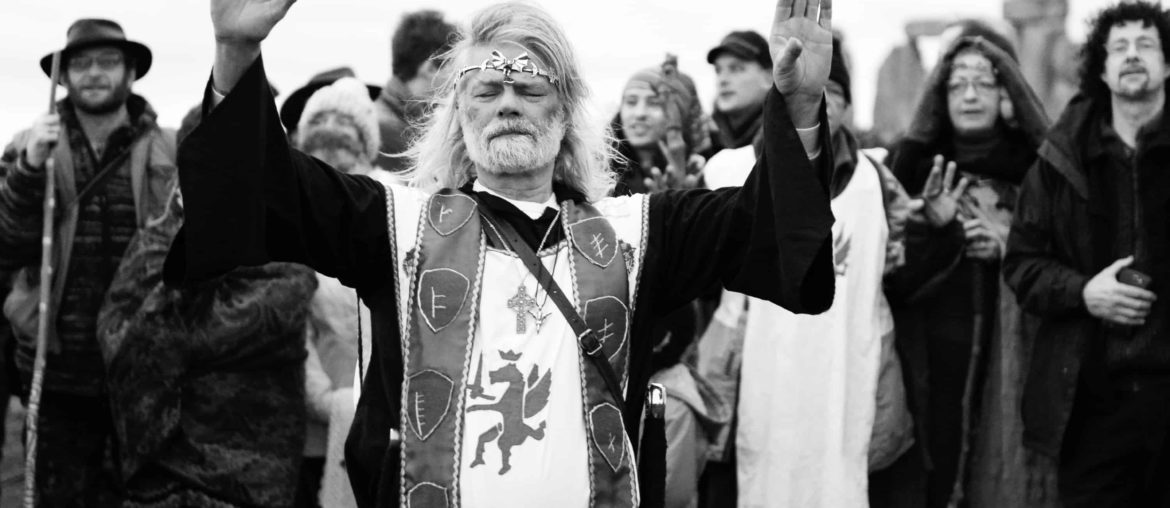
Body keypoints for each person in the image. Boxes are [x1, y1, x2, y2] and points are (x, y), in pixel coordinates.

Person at [167, 0, 837, 506]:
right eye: (487, 90)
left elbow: (774, 230)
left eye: (529, 88)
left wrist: (800, 101)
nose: (507, 103)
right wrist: (234, 48)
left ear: (564, 109)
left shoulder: (639, 232)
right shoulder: (392, 224)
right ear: (459, 113)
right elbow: (261, 188)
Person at [718, 38, 913, 508]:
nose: (821, 105)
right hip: (766, 368)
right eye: (811, 92)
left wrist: (934, 236)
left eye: (833, 93)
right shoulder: (732, 169)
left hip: (847, 370)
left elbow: (901, 276)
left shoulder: (877, 180)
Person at [872, 30, 1051, 508]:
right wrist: (938, 231)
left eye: (983, 83)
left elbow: (1068, 259)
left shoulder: (1040, 173)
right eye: (956, 84)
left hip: (1014, 363)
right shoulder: (909, 170)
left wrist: (1008, 248)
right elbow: (891, 281)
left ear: (1007, 92)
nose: (969, 95)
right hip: (929, 367)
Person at [0, 18, 175, 506]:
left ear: (131, 71)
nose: (94, 73)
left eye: (107, 62)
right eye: (81, 64)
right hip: (55, 370)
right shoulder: (27, 146)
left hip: (139, 370)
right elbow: (8, 244)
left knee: (137, 497)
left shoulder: (168, 148)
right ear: (62, 76)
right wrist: (30, 169)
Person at [1003, 2, 1170, 506]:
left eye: (1145, 44)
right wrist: (1085, 292)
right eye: (1118, 47)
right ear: (1100, 68)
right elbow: (1022, 266)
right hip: (1092, 404)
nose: (1132, 56)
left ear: (1168, 64)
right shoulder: (1059, 161)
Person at [96, 184, 317, 508]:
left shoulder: (286, 256)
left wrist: (202, 245)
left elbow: (205, 333)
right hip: (160, 471)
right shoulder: (155, 241)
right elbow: (119, 334)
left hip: (246, 477)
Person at [610, 58, 727, 508]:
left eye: (653, 104)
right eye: (630, 101)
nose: (637, 113)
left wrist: (683, 209)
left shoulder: (708, 174)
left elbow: (712, 282)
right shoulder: (594, 177)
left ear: (678, 113)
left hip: (670, 370)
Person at [291, 76, 390, 508]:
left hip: (384, 418)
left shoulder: (393, 208)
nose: (332, 136)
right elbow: (289, 311)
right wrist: (322, 397)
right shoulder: (291, 208)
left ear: (366, 145)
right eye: (322, 124)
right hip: (308, 418)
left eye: (345, 128)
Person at [376, 10, 460, 172]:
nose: (457, 76)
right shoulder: (389, 132)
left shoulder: (396, 120)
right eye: (453, 65)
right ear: (430, 68)